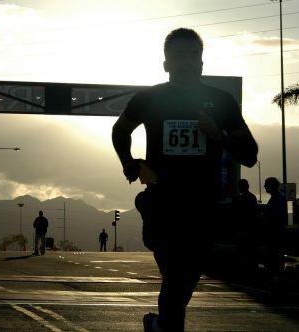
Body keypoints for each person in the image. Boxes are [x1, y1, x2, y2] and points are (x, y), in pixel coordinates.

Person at [112, 28, 258, 332]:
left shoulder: (222, 102)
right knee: (177, 278)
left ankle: (161, 325)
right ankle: (165, 324)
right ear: (166, 63)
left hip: (203, 207)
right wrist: (130, 163)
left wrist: (221, 134)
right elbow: (121, 129)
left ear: (203, 62)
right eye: (179, 55)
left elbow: (250, 154)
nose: (187, 61)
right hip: (162, 204)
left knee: (180, 281)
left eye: (194, 55)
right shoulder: (149, 98)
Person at [232, 179, 259, 273]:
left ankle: (244, 270)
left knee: (243, 252)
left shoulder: (241, 199)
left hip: (244, 229)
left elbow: (238, 214)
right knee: (250, 252)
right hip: (250, 229)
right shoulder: (252, 197)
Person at [262, 177, 287, 277]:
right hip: (273, 234)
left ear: (272, 185)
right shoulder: (275, 198)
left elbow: (278, 215)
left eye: (266, 185)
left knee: (275, 258)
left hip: (275, 234)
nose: (264, 187)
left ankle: (277, 279)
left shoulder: (278, 198)